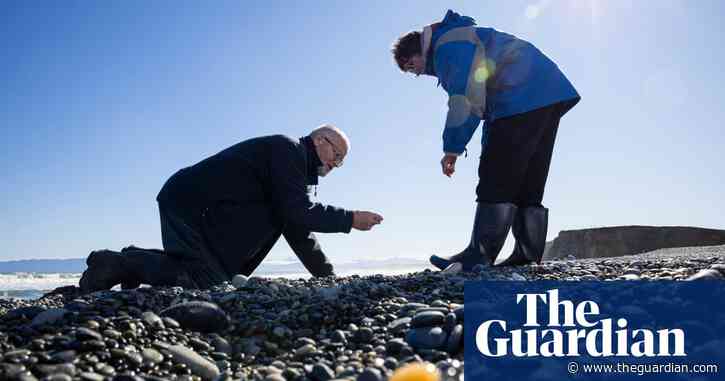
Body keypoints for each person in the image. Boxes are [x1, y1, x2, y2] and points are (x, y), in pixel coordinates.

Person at [79, 125, 383, 293]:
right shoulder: (287, 150)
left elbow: (296, 226)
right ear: (319, 140)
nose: (336, 164)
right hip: (190, 204)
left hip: (195, 206)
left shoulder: (294, 167)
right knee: (202, 282)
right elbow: (297, 213)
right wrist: (351, 219)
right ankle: (118, 263)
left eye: (342, 161)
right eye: (337, 154)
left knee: (213, 278)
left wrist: (327, 277)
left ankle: (132, 257)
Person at [392, 10, 580, 271]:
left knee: (497, 173)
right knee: (528, 176)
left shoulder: (447, 45)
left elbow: (466, 97)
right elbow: (482, 97)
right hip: (547, 92)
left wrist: (452, 149)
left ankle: (479, 254)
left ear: (417, 50)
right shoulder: (460, 36)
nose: (416, 74)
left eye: (410, 66)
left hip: (519, 94)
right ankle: (527, 253)